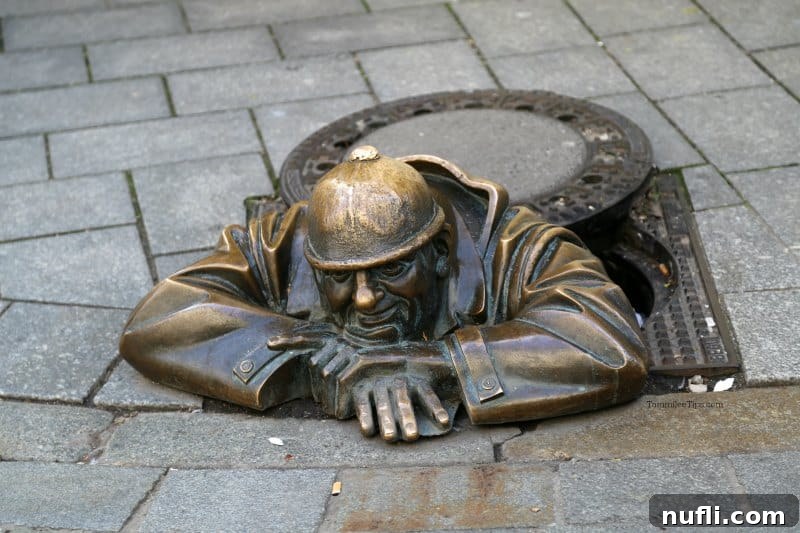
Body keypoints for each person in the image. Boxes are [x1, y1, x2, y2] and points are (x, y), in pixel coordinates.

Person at [120, 146, 648, 442]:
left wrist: (442, 363)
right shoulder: (287, 239)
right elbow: (161, 316)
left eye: (393, 270)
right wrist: (307, 355)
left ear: (440, 251)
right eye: (340, 277)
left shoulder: (520, 246)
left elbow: (607, 341)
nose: (366, 299)